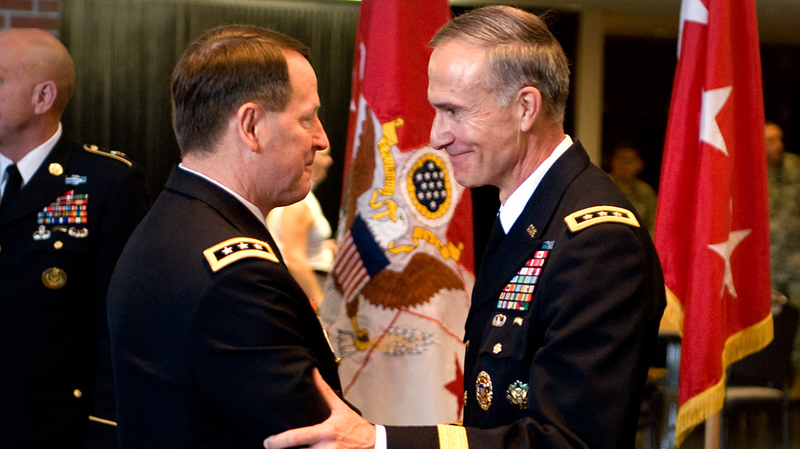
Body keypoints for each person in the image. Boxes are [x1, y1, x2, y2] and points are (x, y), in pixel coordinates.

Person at [264, 6, 666, 449]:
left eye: (455, 111)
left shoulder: (597, 241)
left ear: (525, 108)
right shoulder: (527, 212)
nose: (437, 135)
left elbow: (570, 441)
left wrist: (377, 442)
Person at [107, 25, 347, 448]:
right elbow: (327, 438)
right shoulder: (235, 276)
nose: (321, 139)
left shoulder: (176, 221)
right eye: (307, 117)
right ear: (251, 126)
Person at [0, 28, 150, 449]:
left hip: (51, 429)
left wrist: (106, 429)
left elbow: (121, 326)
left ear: (42, 97)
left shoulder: (106, 183)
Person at [266, 148, 335, 307]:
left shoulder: (302, 197)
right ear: (308, 157)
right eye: (325, 155)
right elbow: (295, 260)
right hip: (304, 292)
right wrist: (321, 306)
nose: (329, 161)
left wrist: (323, 247)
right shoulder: (298, 203)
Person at [764, 121, 800, 396]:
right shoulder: (745, 171)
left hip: (797, 271)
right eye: (771, 140)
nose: (779, 146)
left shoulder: (796, 169)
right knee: (769, 345)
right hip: (766, 275)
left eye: (780, 139)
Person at [606, 144, 658, 237]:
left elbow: (653, 225)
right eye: (621, 159)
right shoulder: (603, 186)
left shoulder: (646, 192)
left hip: (638, 243)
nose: (625, 164)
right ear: (612, 161)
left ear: (640, 164)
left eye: (630, 160)